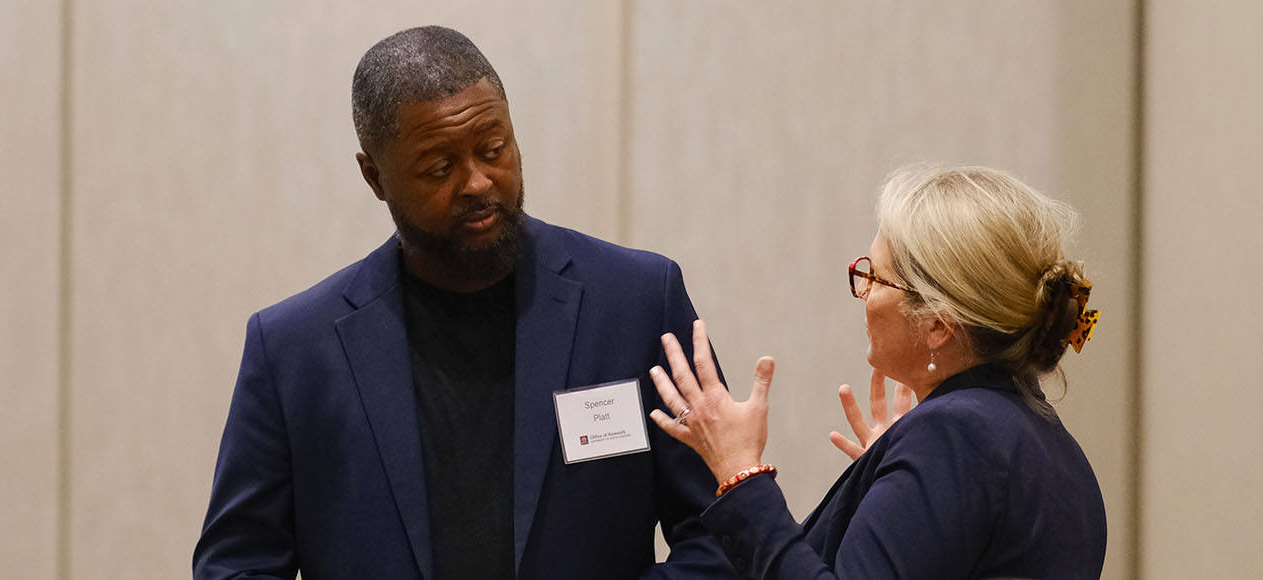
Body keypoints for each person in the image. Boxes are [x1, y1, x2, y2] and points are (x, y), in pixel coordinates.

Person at [193, 26, 736, 580]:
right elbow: (238, 564)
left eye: (493, 149)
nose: (478, 182)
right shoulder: (292, 350)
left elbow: (726, 530)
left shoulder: (637, 301)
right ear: (375, 177)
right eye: (439, 167)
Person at [647, 165, 1107, 579]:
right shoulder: (1039, 435)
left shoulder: (956, 437)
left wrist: (739, 471)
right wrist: (899, 486)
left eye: (876, 278)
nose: (864, 295)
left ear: (938, 327)